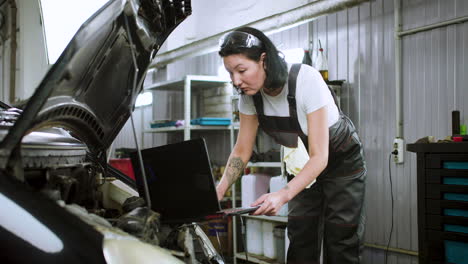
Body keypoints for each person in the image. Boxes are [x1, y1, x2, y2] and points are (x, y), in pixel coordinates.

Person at [215, 26, 366, 264]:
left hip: (340, 163)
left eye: (242, 70)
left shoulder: (305, 79)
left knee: (341, 239)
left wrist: (283, 194)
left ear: (263, 60)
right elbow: (242, 150)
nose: (236, 81)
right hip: (302, 164)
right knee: (301, 236)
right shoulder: (249, 98)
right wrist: (219, 189)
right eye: (230, 73)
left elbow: (320, 157)